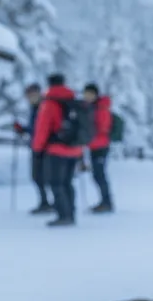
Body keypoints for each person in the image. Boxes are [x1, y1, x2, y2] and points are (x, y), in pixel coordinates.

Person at [31, 73, 83, 227]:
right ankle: (71, 213)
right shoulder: (73, 101)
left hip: (56, 150)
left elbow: (42, 128)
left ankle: (63, 215)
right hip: (74, 149)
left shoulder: (49, 103)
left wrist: (37, 150)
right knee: (67, 182)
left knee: (56, 183)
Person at [15, 83, 53, 214]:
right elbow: (35, 129)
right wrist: (23, 129)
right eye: (28, 96)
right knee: (36, 176)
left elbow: (44, 128)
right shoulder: (34, 108)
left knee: (46, 176)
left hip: (45, 148)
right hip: (36, 146)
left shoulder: (45, 107)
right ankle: (44, 202)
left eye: (32, 95)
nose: (30, 98)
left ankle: (53, 203)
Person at [84, 83, 114, 213]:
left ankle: (106, 202)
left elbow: (103, 127)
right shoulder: (92, 107)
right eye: (86, 94)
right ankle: (104, 201)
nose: (87, 97)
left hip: (100, 146)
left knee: (99, 175)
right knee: (97, 175)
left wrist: (88, 134)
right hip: (94, 145)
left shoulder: (101, 108)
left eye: (90, 94)